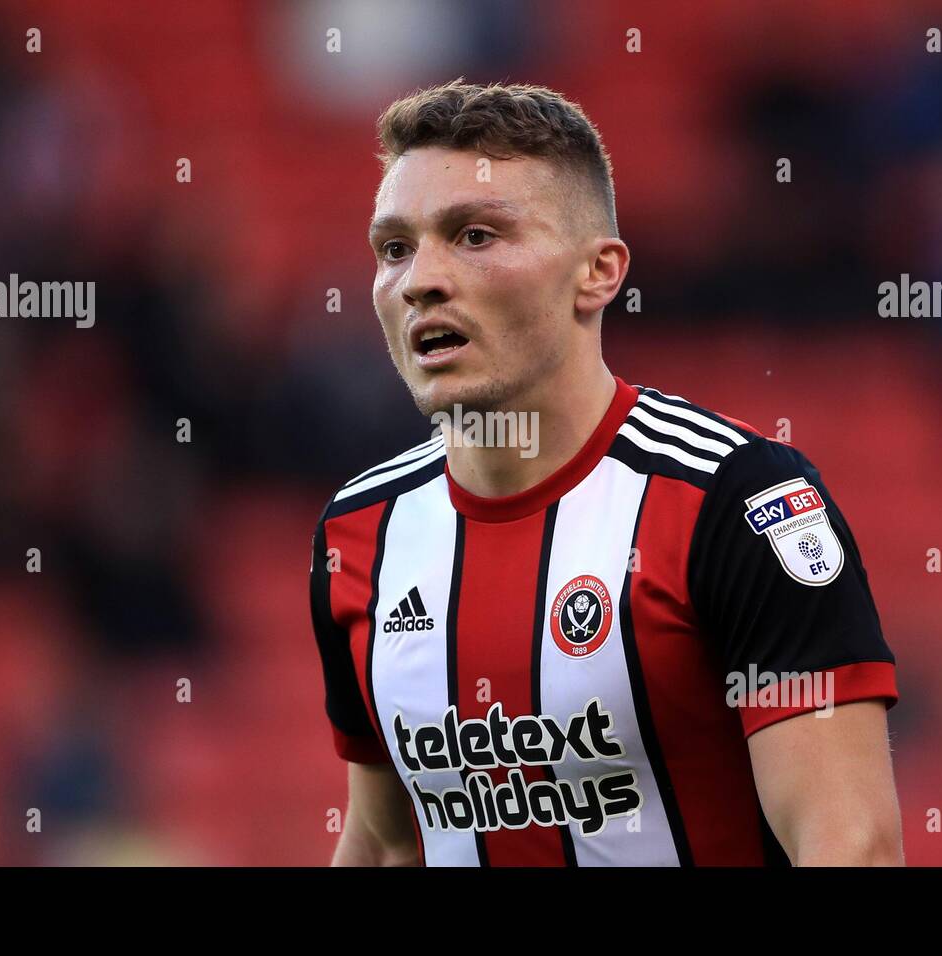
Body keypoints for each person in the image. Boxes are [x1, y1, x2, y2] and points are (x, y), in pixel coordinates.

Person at [309, 78, 902, 866]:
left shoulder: (736, 502)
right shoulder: (360, 533)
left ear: (599, 272)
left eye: (476, 235)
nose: (420, 279)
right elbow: (388, 843)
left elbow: (848, 845)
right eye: (395, 248)